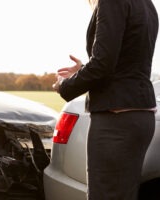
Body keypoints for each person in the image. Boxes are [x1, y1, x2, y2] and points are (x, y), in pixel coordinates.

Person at [53, 0, 158, 199]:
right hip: (140, 114)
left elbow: (103, 65)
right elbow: (126, 61)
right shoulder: (147, 4)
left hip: (116, 118)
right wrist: (83, 70)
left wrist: (64, 85)